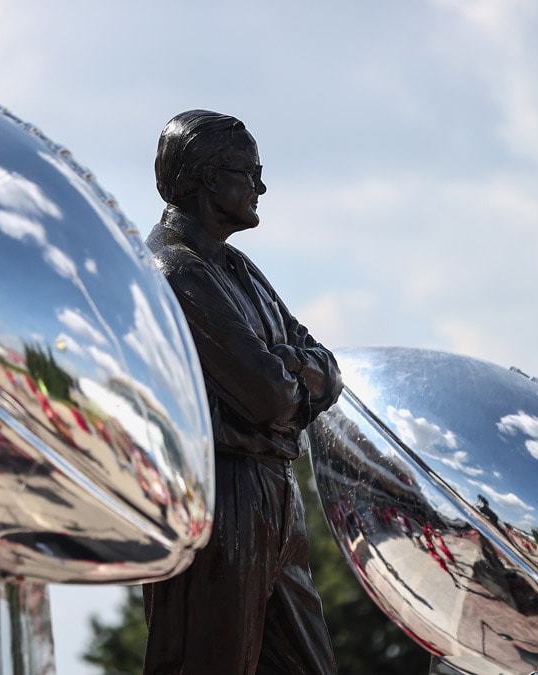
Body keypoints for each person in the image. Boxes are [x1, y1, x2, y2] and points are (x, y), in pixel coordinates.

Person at [142, 110, 344, 674]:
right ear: (208, 178)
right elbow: (269, 397)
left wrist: (291, 368)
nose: (260, 186)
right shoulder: (173, 270)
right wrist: (294, 374)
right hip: (219, 493)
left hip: (274, 489)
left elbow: (327, 366)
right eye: (249, 172)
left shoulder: (237, 266)